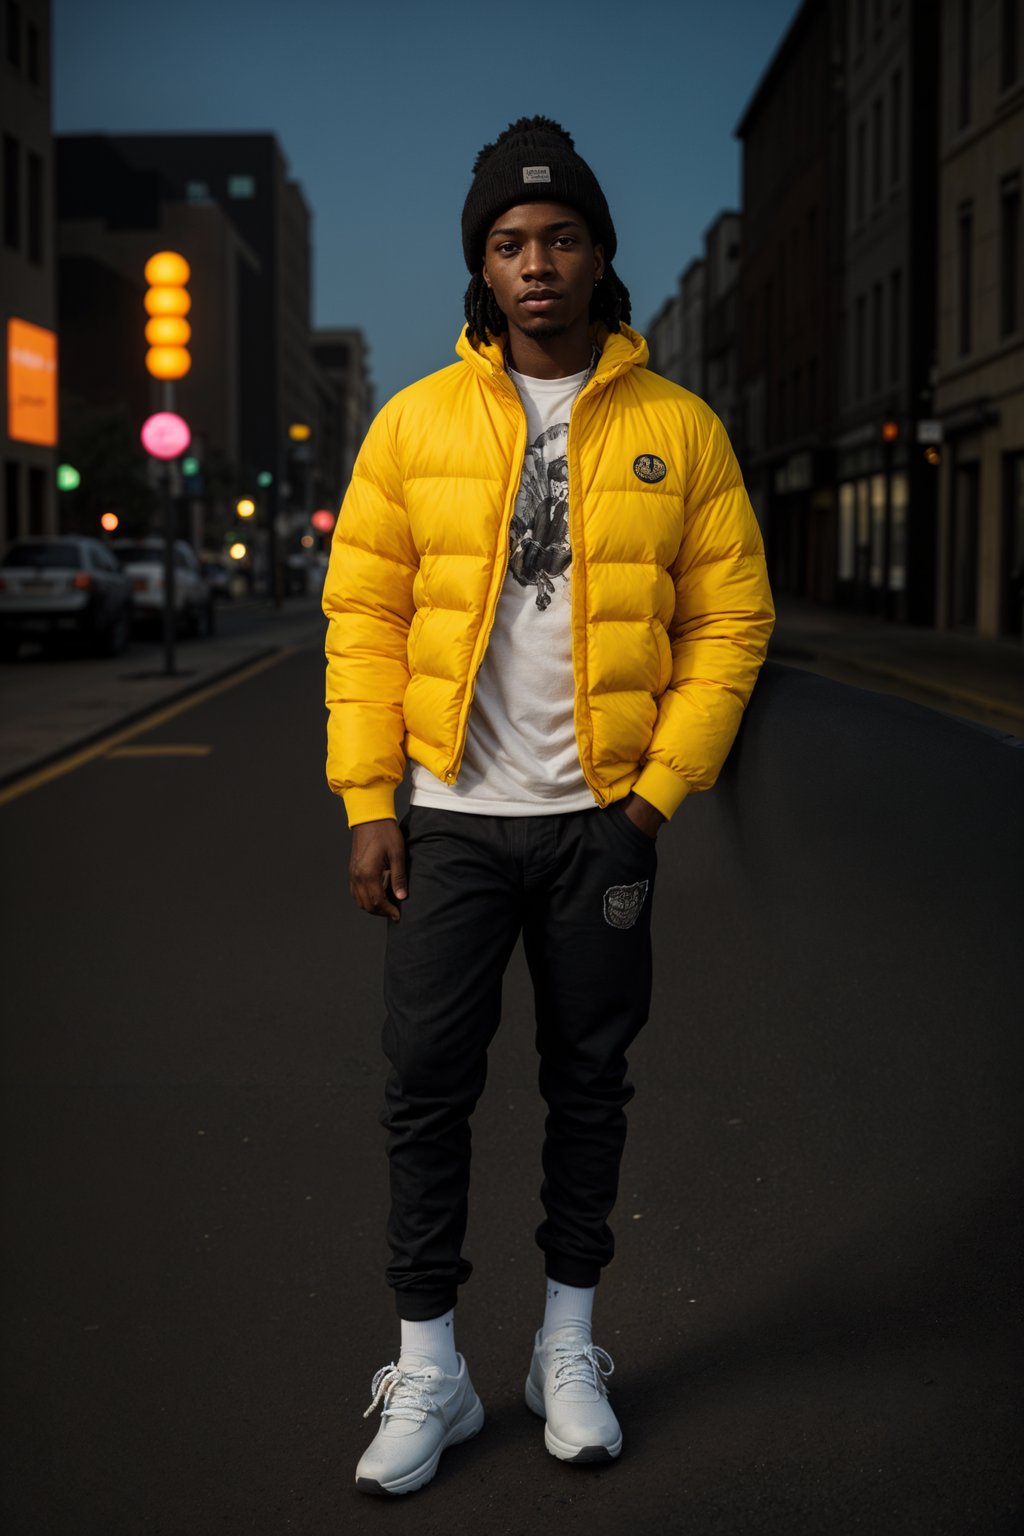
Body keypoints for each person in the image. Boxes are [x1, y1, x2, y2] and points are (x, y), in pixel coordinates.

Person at [323, 115, 775, 1496]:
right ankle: (433, 1371)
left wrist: (650, 803)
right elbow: (365, 615)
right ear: (482, 265)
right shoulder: (412, 423)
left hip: (600, 824)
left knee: (590, 1082)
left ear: (598, 256)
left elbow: (734, 622)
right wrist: (368, 796)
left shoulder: (676, 428)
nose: (537, 263)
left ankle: (565, 1351)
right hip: (452, 813)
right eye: (511, 244)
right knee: (426, 1089)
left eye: (561, 238)